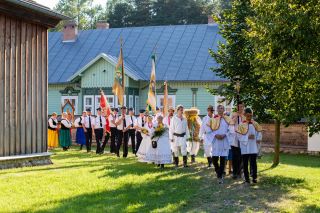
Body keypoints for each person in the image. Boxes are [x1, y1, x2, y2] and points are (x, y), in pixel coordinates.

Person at [209, 105, 235, 184]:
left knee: (223, 159)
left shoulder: (228, 119)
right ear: (217, 110)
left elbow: (230, 129)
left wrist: (225, 135)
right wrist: (215, 135)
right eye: (219, 108)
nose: (220, 109)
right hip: (216, 141)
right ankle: (218, 171)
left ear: (224, 110)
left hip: (224, 140)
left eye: (222, 108)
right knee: (214, 159)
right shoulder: (213, 119)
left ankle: (220, 176)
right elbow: (209, 129)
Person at [236, 108, 262, 184]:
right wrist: (247, 137)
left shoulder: (255, 123)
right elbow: (238, 136)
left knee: (253, 163)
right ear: (245, 115)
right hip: (245, 147)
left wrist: (258, 138)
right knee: (245, 163)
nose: (249, 117)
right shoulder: (241, 124)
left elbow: (259, 132)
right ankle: (247, 179)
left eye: (251, 115)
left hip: (253, 146)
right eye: (248, 115)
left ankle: (254, 178)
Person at [231, 101, 246, 179]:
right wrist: (236, 116)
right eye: (239, 107)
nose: (241, 108)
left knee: (242, 156)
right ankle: (234, 172)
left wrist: (241, 115)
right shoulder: (234, 114)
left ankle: (240, 172)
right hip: (235, 138)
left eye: (242, 107)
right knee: (235, 156)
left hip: (243, 138)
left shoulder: (245, 115)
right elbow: (232, 123)